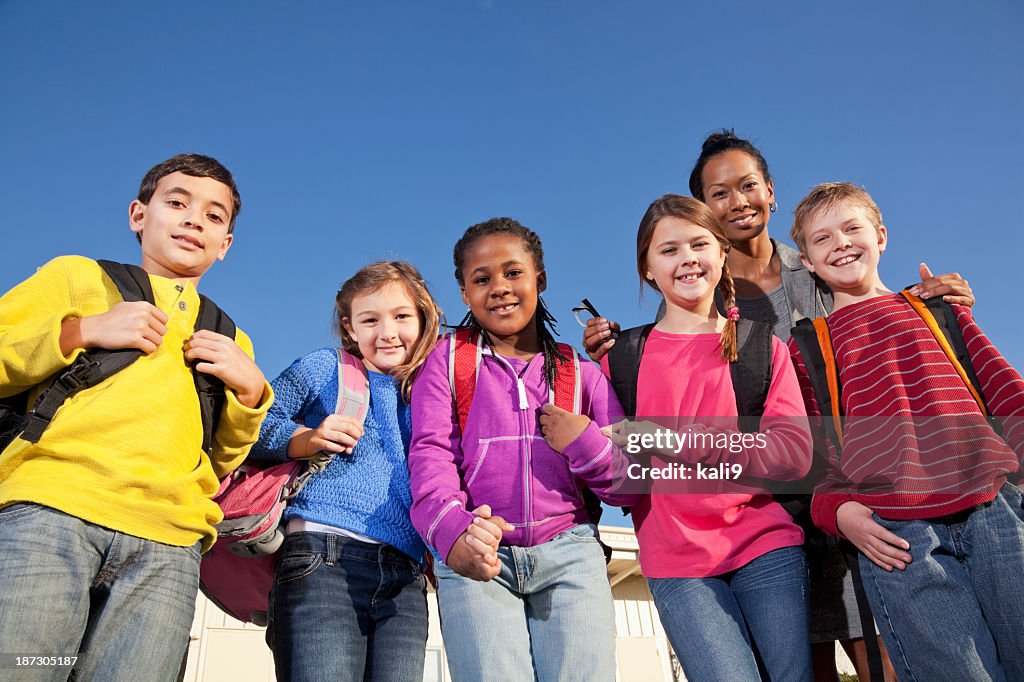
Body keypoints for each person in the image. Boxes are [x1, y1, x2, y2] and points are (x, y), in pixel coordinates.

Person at [583, 130, 973, 681]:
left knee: (879, 648)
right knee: (797, 660)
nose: (737, 201)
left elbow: (869, 301)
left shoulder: (815, 263)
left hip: (846, 482)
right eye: (719, 194)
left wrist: (933, 307)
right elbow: (641, 418)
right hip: (768, 507)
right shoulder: (688, 306)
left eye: (748, 186)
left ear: (770, 190)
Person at [0, 153, 272, 681]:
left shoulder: (231, 337)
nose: (195, 219)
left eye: (215, 216)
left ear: (226, 245)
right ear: (138, 215)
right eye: (176, 203)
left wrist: (250, 392)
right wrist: (80, 332)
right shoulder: (79, 277)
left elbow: (219, 461)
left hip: (169, 546)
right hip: (51, 512)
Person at [788, 182, 1024, 681]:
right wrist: (839, 509)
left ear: (881, 236)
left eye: (852, 228)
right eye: (822, 239)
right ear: (806, 261)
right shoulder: (810, 345)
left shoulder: (936, 308)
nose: (842, 243)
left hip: (995, 508)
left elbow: (1004, 389)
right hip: (899, 536)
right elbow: (816, 450)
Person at [408, 217, 637, 682]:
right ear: (464, 293)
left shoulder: (583, 374)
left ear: (541, 279)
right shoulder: (448, 363)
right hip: (480, 557)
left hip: (571, 554)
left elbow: (629, 485)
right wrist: (453, 533)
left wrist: (584, 441)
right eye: (482, 279)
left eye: (513, 272)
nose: (499, 288)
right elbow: (431, 456)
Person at [602, 194, 813, 681]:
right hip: (675, 560)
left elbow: (792, 454)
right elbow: (606, 463)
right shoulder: (620, 362)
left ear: (722, 253)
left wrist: (675, 440)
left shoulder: (763, 347)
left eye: (699, 244)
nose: (687, 259)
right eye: (668, 250)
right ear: (648, 268)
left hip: (766, 546)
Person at [249, 261, 442, 681]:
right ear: (350, 328)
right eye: (370, 319)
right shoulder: (327, 369)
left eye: (401, 316)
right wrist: (306, 437)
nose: (387, 331)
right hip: (323, 557)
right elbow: (254, 423)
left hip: (405, 574)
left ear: (423, 319)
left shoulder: (431, 390)